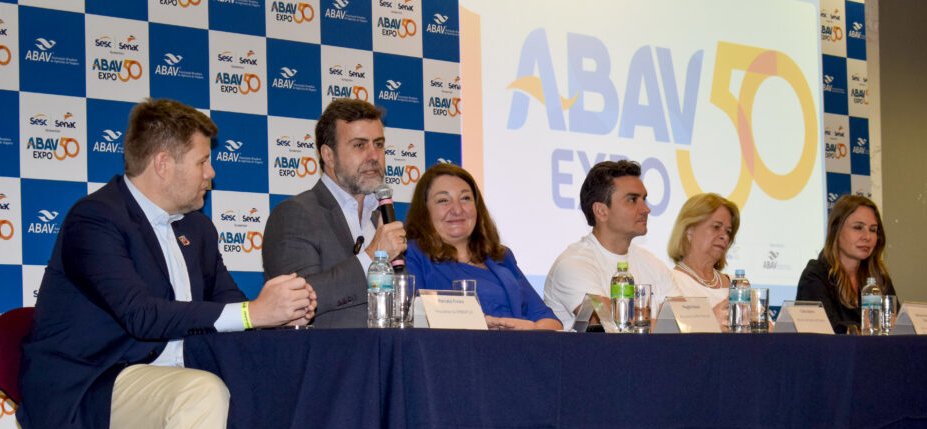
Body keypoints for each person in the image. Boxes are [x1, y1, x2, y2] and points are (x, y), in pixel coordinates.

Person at [17, 98, 316, 429]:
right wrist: (253, 312)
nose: (212, 173)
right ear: (163, 164)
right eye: (203, 161)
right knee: (201, 395)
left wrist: (276, 319)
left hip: (161, 382)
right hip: (90, 384)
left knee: (259, 393)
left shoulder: (196, 229)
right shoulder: (96, 219)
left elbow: (227, 308)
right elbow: (141, 315)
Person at [263, 98, 406, 327]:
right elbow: (300, 302)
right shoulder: (294, 215)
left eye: (378, 144)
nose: (374, 156)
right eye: (359, 145)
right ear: (328, 156)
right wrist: (372, 257)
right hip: (328, 357)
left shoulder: (381, 217)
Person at [404, 163, 561, 330]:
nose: (457, 209)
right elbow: (415, 319)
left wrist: (531, 329)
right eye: (443, 200)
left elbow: (551, 322)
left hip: (520, 350)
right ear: (424, 210)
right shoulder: (412, 254)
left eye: (465, 198)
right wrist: (481, 323)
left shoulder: (501, 256)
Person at [543, 160, 680, 329]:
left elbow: (685, 322)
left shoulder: (653, 264)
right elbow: (611, 323)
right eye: (632, 200)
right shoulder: (572, 264)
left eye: (644, 199)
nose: (646, 209)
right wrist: (663, 324)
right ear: (601, 211)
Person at [795, 194, 896, 334]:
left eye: (873, 230)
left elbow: (895, 329)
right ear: (836, 230)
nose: (867, 237)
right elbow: (827, 332)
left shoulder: (879, 277)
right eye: (858, 227)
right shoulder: (816, 275)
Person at [667, 193, 741, 330]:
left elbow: (770, 332)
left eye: (728, 231)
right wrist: (710, 321)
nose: (724, 236)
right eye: (716, 227)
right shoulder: (669, 282)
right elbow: (669, 340)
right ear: (689, 231)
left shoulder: (739, 284)